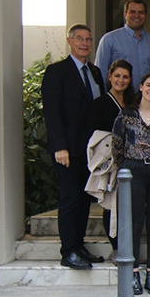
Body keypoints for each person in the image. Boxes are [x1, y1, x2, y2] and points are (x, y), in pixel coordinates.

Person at [43, 24, 106, 269]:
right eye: (79, 39)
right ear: (69, 41)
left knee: (82, 200)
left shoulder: (95, 72)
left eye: (89, 39)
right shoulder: (57, 71)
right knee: (70, 199)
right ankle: (68, 251)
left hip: (90, 150)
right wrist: (60, 146)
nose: (84, 43)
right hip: (66, 150)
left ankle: (79, 247)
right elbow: (52, 112)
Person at [112, 72, 150, 295]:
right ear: (141, 87)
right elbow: (117, 146)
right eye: (149, 85)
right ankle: (134, 274)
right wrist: (125, 170)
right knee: (135, 225)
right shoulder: (126, 115)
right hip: (134, 170)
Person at [87, 59, 134, 260]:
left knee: (132, 205)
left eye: (125, 77)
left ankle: (129, 247)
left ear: (130, 79)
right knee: (111, 204)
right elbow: (94, 134)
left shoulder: (134, 103)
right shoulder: (100, 104)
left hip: (133, 160)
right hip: (111, 162)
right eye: (117, 76)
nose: (120, 80)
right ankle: (116, 249)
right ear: (109, 77)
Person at [95, 0, 150, 87]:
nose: (137, 15)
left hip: (147, 97)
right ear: (125, 14)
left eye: (141, 12)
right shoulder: (109, 39)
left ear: (146, 15)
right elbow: (101, 72)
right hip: (119, 97)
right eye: (132, 12)